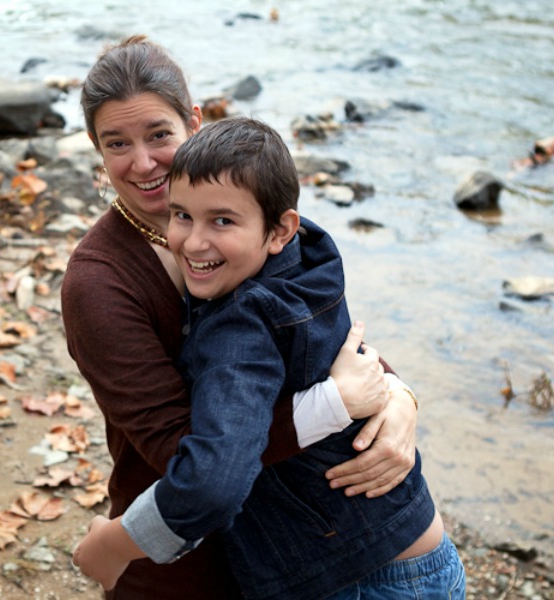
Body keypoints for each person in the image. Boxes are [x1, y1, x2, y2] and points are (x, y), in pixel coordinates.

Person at [62, 36, 422, 599]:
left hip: (292, 551)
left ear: (195, 122)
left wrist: (398, 396)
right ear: (96, 149)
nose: (142, 162)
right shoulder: (99, 284)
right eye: (116, 143)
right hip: (182, 569)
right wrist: (336, 404)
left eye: (159, 134)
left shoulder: (241, 218)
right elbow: (191, 449)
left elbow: (316, 334)